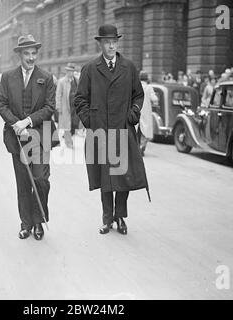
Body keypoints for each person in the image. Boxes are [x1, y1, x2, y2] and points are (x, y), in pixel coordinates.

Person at [74, 24, 150, 235]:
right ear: (100, 44)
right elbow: (80, 99)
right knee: (106, 177)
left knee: (123, 176)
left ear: (117, 43)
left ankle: (120, 217)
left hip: (123, 130)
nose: (111, 45)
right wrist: (91, 120)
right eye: (107, 42)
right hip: (101, 132)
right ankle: (107, 219)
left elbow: (139, 95)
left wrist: (133, 114)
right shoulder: (90, 68)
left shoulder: (129, 67)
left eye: (114, 42)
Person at [0, 34, 58, 241]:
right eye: (27, 54)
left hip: (40, 136)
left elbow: (50, 107)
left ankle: (39, 220)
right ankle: (26, 223)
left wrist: (27, 122)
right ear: (19, 55)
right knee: (23, 183)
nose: (31, 58)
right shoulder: (7, 77)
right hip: (16, 137)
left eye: (34, 53)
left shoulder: (47, 77)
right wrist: (15, 124)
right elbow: (2, 103)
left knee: (40, 180)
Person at [56, 62, 79, 149]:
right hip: (66, 107)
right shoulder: (61, 81)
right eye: (69, 71)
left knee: (74, 124)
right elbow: (58, 95)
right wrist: (59, 108)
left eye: (72, 71)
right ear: (66, 71)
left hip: (75, 108)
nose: (70, 73)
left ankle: (68, 138)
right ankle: (68, 142)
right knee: (67, 126)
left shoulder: (77, 80)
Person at [138, 71, 157, 156]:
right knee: (145, 130)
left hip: (136, 110)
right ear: (147, 79)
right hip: (145, 111)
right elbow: (154, 99)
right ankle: (142, 146)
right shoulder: (149, 87)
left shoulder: (135, 86)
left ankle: (136, 147)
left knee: (136, 129)